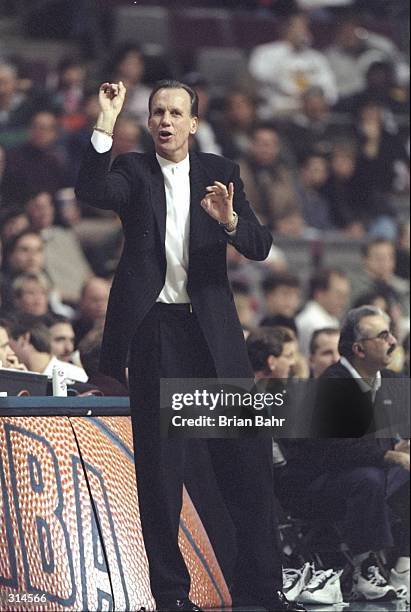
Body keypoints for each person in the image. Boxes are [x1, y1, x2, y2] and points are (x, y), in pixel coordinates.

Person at [75, 78, 305, 612]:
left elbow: (260, 244)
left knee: (245, 465)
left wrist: (227, 219)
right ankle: (173, 597)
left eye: (177, 113)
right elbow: (92, 190)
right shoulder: (133, 170)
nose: (166, 121)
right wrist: (106, 121)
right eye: (158, 112)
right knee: (160, 472)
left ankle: (260, 590)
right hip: (155, 332)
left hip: (214, 335)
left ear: (194, 123)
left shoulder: (221, 172)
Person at [281, 306, 410, 601]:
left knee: (388, 475)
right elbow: (336, 449)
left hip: (362, 479)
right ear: (359, 349)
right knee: (368, 477)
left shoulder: (392, 381)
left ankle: (403, 567)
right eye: (383, 335)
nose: (393, 341)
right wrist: (391, 455)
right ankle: (365, 569)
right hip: (312, 485)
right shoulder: (332, 384)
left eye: (391, 332)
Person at [296, 268, 350, 356]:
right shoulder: (313, 322)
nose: (344, 301)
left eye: (345, 295)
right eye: (339, 295)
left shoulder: (329, 317)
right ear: (319, 294)